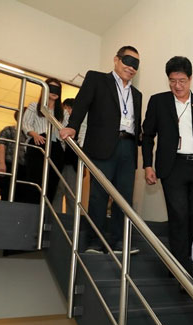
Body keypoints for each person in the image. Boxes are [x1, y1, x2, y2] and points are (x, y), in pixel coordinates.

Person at [142, 56, 193, 275]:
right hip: (172, 167)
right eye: (172, 81)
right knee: (178, 216)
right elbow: (147, 136)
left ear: (190, 79)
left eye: (182, 81)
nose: (177, 86)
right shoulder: (158, 102)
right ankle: (178, 269)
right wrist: (148, 165)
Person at [60, 45, 142, 255]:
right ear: (116, 59)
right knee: (98, 195)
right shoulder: (97, 79)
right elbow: (82, 103)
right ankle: (95, 241)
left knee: (124, 197)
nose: (131, 67)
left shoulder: (137, 94)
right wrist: (73, 125)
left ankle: (118, 241)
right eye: (127, 61)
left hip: (128, 146)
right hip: (103, 145)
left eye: (136, 64)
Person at [23, 77, 68, 204]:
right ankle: (32, 209)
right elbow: (26, 124)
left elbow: (65, 129)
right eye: (51, 88)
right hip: (38, 144)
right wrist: (35, 135)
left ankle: (45, 210)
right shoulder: (34, 106)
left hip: (56, 148)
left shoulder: (63, 113)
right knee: (35, 179)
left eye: (57, 89)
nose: (54, 91)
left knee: (52, 182)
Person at [53, 98, 86, 213]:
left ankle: (71, 220)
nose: (66, 111)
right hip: (60, 161)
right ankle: (54, 217)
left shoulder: (81, 123)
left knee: (72, 194)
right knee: (57, 191)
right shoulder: (61, 121)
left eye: (67, 108)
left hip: (73, 163)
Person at [0, 109, 28, 202]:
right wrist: (2, 163)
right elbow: (2, 145)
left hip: (24, 167)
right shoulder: (9, 130)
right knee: (6, 192)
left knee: (21, 194)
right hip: (9, 164)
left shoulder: (29, 134)